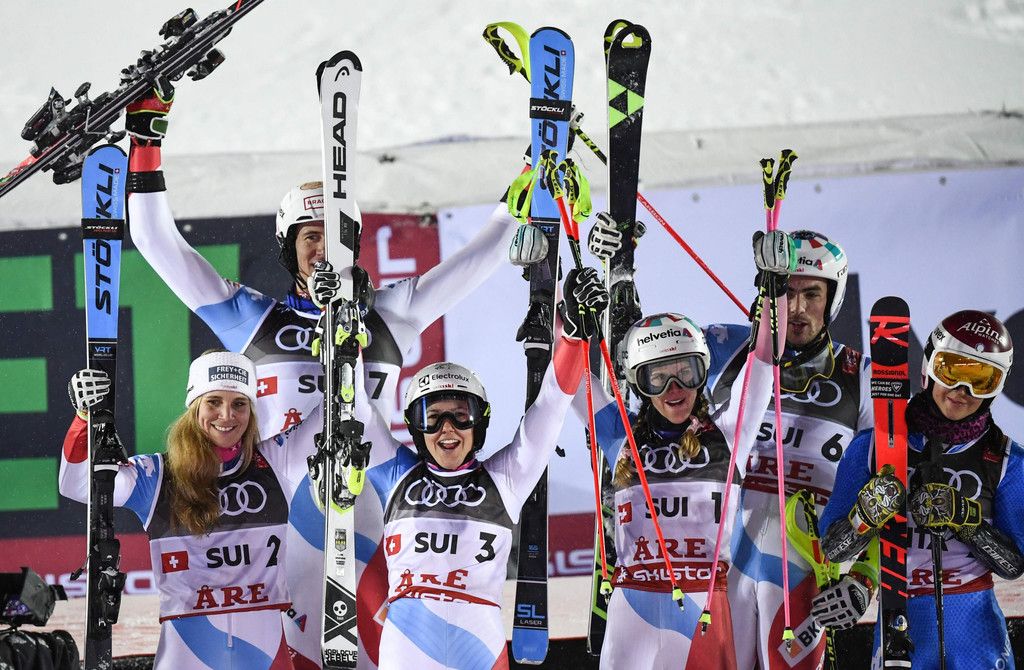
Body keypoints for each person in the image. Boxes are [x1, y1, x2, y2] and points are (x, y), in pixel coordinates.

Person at [124, 81, 545, 668]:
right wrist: (146, 141)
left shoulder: (390, 314)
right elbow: (156, 242)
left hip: (372, 509)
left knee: (373, 654)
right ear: (289, 246)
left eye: (336, 235)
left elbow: (483, 255)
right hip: (288, 516)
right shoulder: (256, 321)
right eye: (310, 236)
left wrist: (535, 166)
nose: (323, 248)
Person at [588, 219, 876, 668]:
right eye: (788, 291)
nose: (797, 308)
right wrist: (618, 267)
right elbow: (643, 356)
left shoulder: (861, 377)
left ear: (833, 298)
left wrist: (864, 576)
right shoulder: (725, 347)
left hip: (804, 560)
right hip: (722, 563)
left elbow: (885, 489)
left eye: (812, 294)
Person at [348, 267, 604, 669]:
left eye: (460, 415)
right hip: (407, 649)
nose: (447, 429)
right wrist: (343, 325)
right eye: (432, 417)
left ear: (478, 424)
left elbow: (552, 403)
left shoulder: (506, 479)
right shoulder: (396, 475)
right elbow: (354, 405)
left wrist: (572, 335)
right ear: (415, 427)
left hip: (479, 650)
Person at [577, 231, 790, 669]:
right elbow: (569, 381)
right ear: (639, 383)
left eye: (686, 373)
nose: (675, 389)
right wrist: (570, 322)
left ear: (703, 372)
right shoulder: (619, 434)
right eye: (658, 378)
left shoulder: (728, 433)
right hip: (631, 610)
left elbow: (764, 359)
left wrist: (776, 289)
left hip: (705, 608)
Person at [61, 350, 320, 669]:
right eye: (214, 402)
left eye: (239, 404)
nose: (227, 415)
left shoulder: (277, 460)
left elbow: (341, 413)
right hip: (187, 655)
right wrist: (84, 419)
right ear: (195, 404)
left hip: (266, 653)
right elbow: (78, 485)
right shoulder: (158, 475)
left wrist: (348, 353)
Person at [821, 310, 1024, 669]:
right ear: (928, 366)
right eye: (952, 370)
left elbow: (1013, 565)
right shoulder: (871, 447)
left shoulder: (1008, 460)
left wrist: (966, 521)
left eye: (982, 379)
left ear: (998, 386)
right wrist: (865, 516)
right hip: (900, 617)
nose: (963, 391)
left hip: (975, 627)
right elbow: (833, 549)